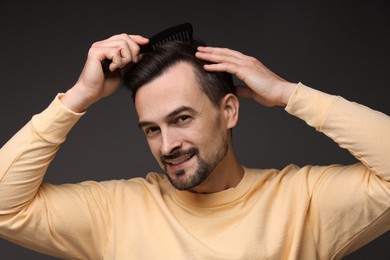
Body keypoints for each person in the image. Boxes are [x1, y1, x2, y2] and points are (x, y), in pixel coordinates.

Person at [0, 30, 389, 260]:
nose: (167, 145)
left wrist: (290, 94)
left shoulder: (303, 202)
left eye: (182, 119)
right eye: (151, 129)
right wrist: (78, 97)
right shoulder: (115, 211)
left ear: (229, 111)